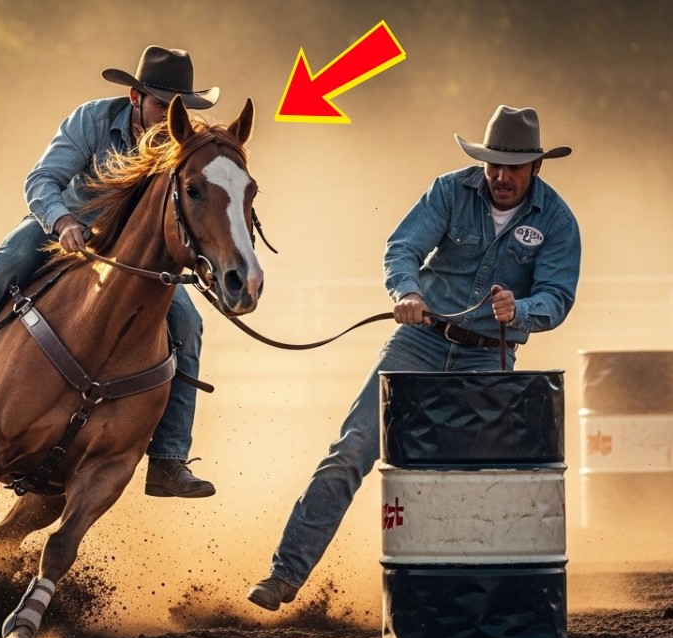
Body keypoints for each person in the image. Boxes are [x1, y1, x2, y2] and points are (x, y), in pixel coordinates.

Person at [248, 105, 582, 610]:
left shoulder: (557, 220)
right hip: (419, 340)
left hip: (487, 356)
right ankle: (284, 575)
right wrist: (406, 292)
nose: (501, 175)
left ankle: (466, 598)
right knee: (353, 448)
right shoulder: (449, 191)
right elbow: (402, 247)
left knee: (475, 481)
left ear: (536, 168)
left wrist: (522, 309)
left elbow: (557, 297)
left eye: (513, 166)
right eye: (493, 164)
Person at [0, 46, 222, 499]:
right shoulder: (91, 120)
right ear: (135, 97)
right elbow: (41, 180)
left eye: (179, 108)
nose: (168, 117)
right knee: (4, 267)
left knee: (188, 322)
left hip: (131, 261)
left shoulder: (182, 144)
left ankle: (169, 459)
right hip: (63, 229)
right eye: (161, 104)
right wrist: (64, 222)